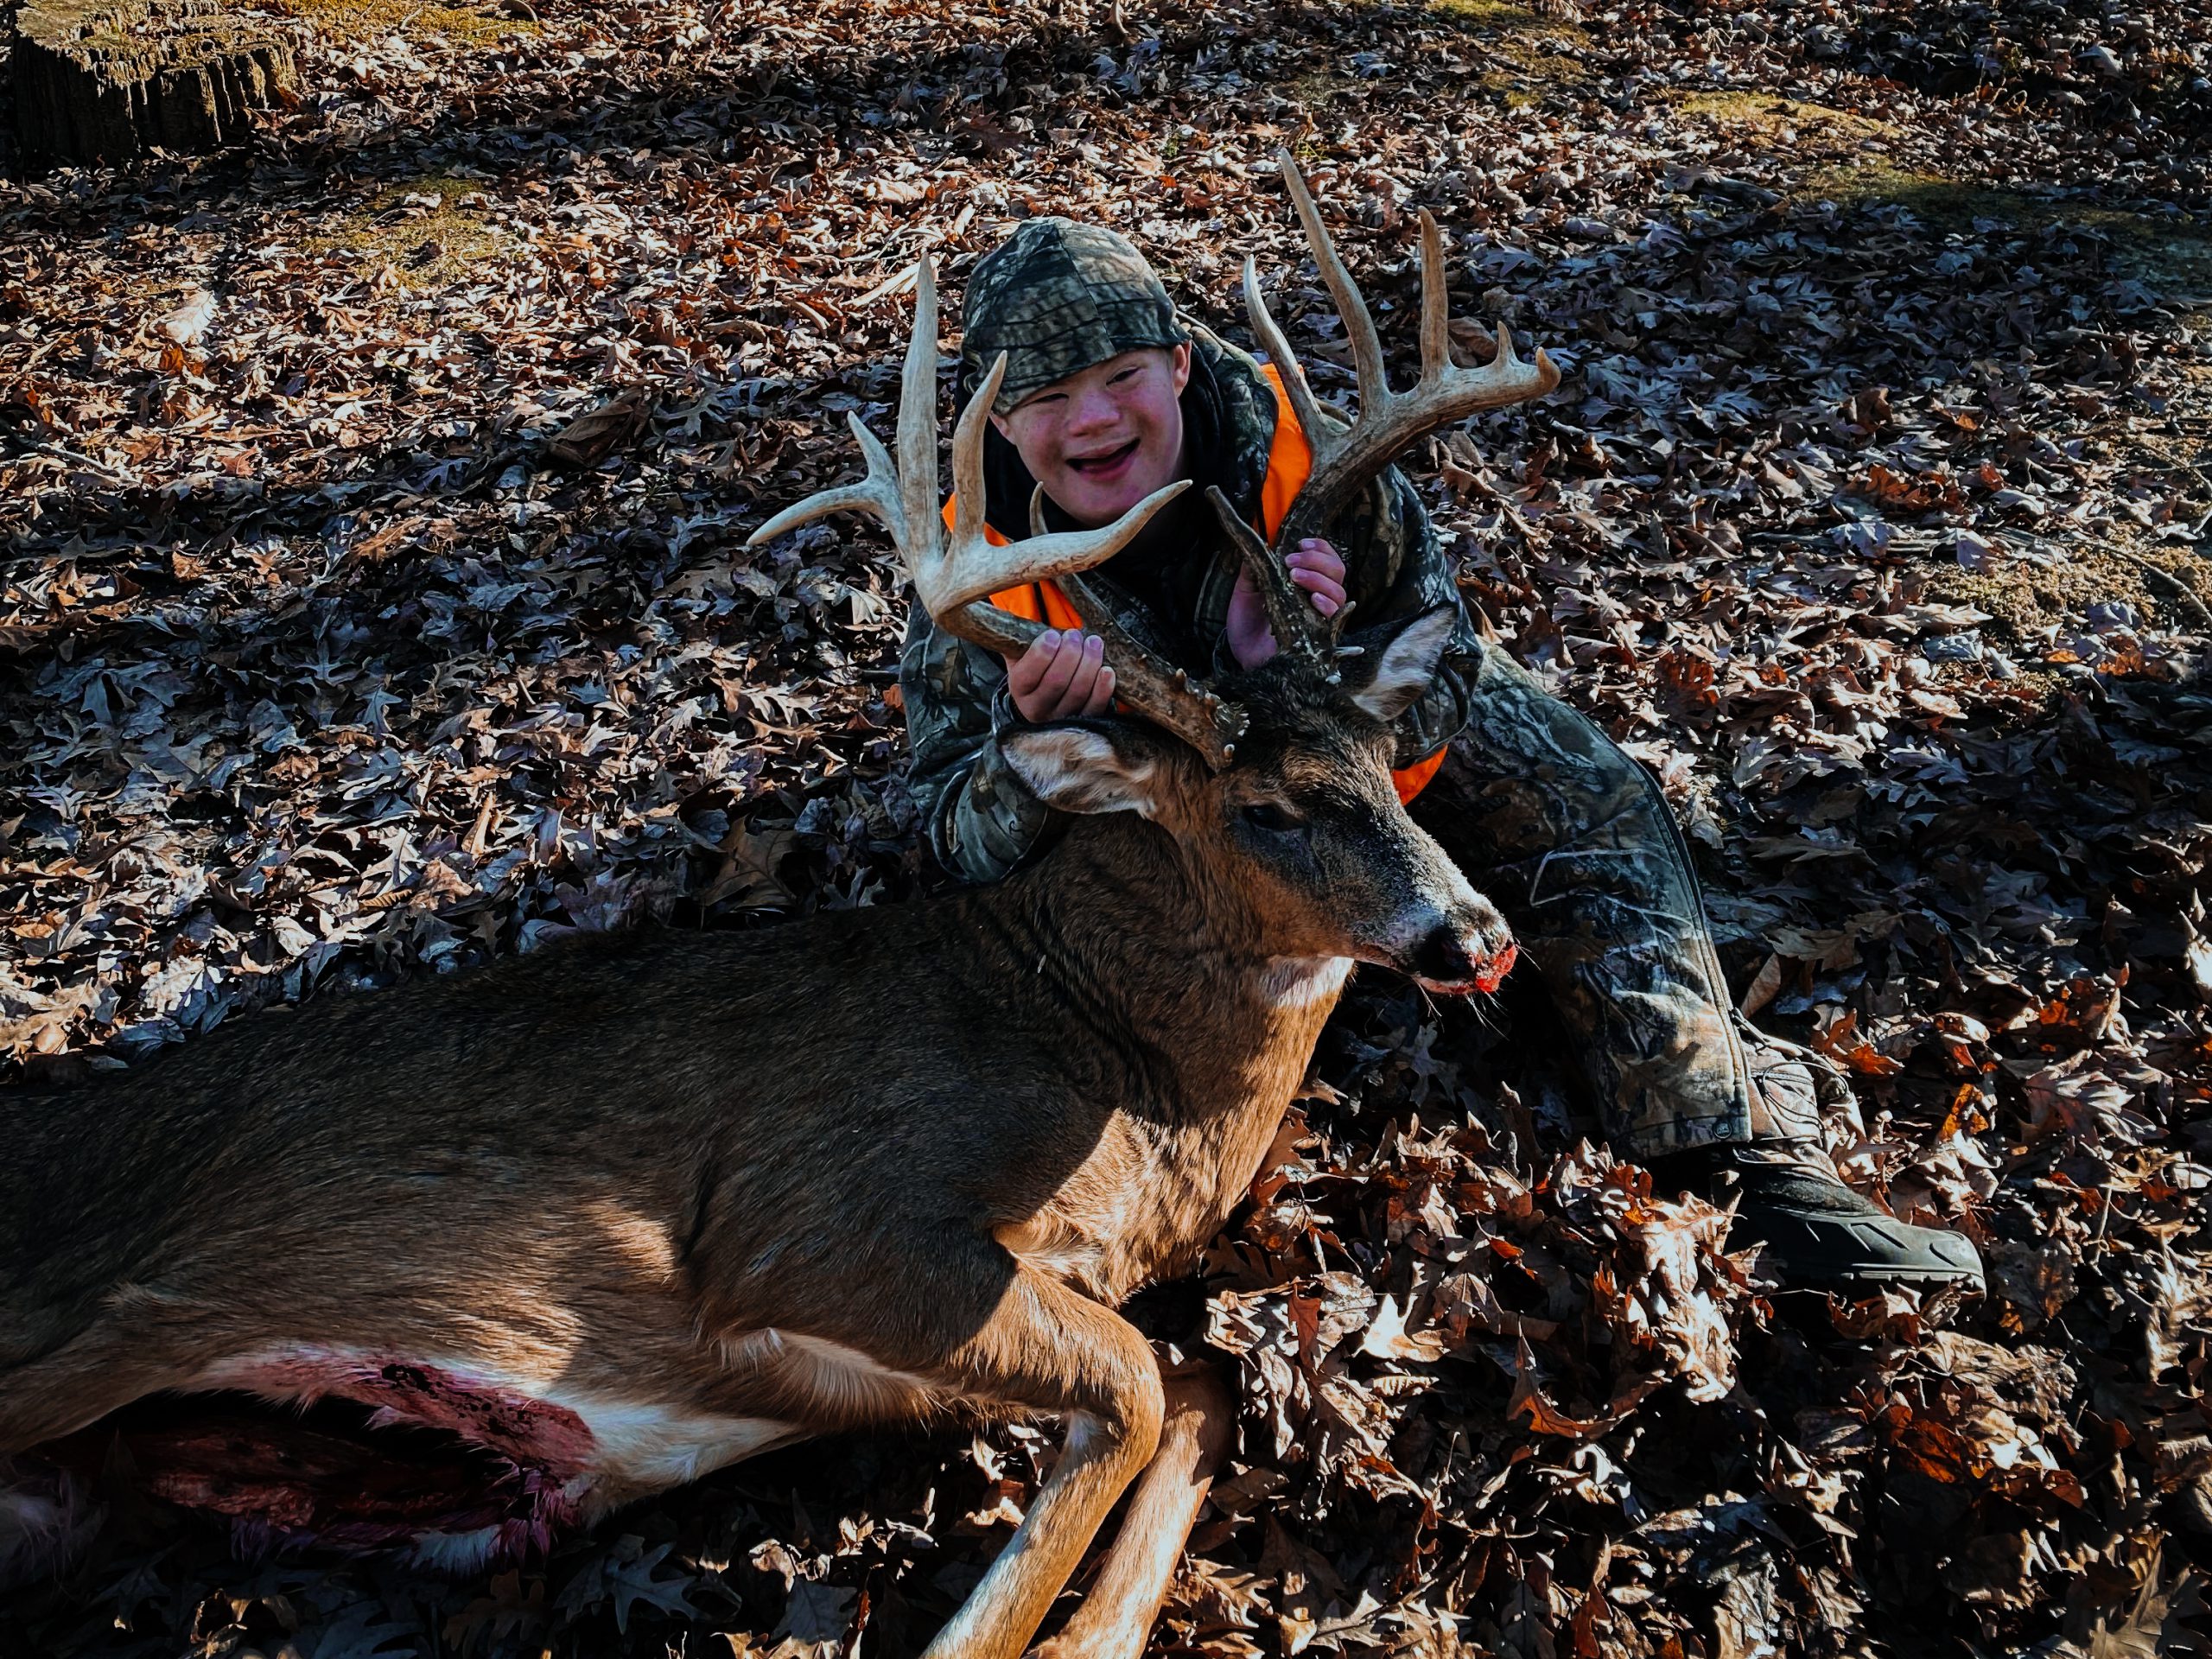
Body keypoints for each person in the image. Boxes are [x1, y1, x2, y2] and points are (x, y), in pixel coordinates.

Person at [898, 217, 1983, 1294]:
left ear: (1179, 364)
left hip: (1351, 744)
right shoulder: (971, 551)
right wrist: (1017, 747)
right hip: (1169, 808)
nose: (1089, 419)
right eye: (1042, 399)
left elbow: (1443, 644)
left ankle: (1727, 1151)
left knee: (1585, 787)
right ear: (999, 417)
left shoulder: (1305, 451)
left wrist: (1327, 658)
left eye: (1121, 374)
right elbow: (941, 828)